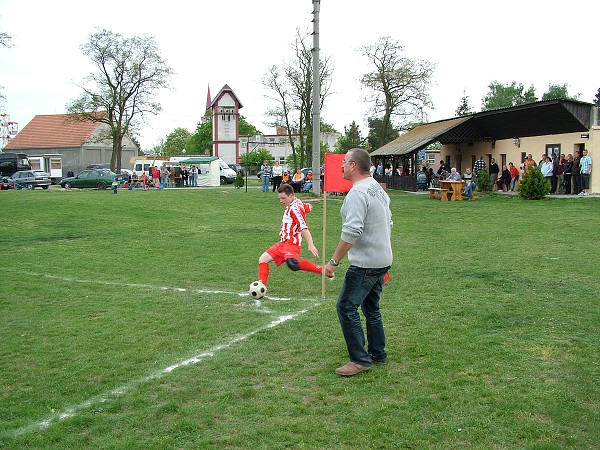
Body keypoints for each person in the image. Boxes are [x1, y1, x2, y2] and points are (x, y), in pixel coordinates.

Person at [324, 148, 393, 377]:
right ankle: (377, 353)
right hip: (382, 259)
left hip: (366, 264)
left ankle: (359, 360)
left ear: (354, 166)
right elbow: (389, 223)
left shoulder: (358, 193)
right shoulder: (378, 189)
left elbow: (352, 231)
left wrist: (333, 261)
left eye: (344, 162)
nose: (341, 166)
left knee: (345, 306)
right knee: (371, 308)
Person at [257, 183, 323, 292]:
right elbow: (308, 207)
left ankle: (322, 270)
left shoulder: (294, 209)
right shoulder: (297, 203)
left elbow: (303, 227)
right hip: (283, 242)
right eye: (280, 198)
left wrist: (311, 245)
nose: (281, 201)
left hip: (292, 242)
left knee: (293, 264)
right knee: (263, 259)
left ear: (291, 196)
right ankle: (262, 286)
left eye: (283, 198)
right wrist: (309, 207)